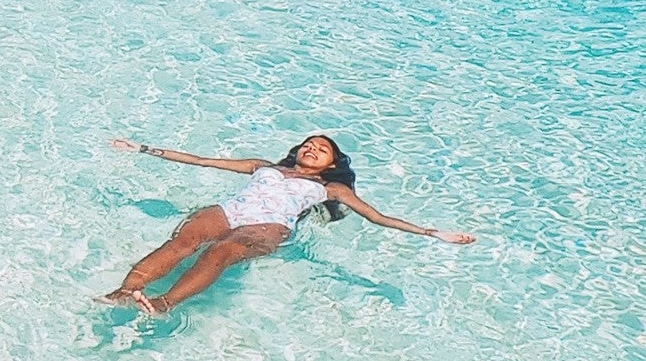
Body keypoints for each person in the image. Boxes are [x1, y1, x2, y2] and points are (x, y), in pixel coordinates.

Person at [99, 134, 475, 315]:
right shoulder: (264, 165)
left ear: (331, 163)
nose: (311, 148)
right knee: (184, 241)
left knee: (221, 252)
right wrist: (144, 149)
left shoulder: (331, 187)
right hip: (229, 211)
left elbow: (377, 217)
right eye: (308, 144)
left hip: (266, 228)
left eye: (321, 149)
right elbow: (202, 161)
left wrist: (433, 233)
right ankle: (126, 290)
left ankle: (163, 303)